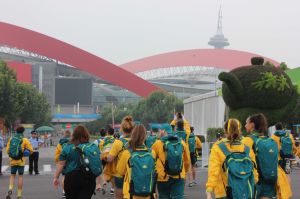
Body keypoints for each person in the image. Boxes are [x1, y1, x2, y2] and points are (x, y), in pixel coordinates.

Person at [206, 119, 258, 199]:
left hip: (223, 192)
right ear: (239, 130)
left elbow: (213, 171)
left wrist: (209, 190)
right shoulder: (246, 148)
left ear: (225, 130)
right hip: (245, 191)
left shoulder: (218, 147)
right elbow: (254, 171)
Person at [53, 125, 102, 199]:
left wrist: (56, 177)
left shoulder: (67, 147)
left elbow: (61, 164)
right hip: (88, 178)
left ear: (74, 135)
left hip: (72, 178)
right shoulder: (91, 147)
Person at [152, 122, 191, 199]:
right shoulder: (181, 142)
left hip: (163, 177)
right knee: (178, 197)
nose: (159, 132)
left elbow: (152, 160)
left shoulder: (157, 143)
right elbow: (187, 161)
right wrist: (184, 171)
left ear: (163, 131)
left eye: (160, 131)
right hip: (179, 175)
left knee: (163, 196)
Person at [243, 113, 278, 199]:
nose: (245, 125)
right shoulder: (270, 141)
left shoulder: (248, 140)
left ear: (252, 125)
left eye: (246, 123)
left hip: (254, 181)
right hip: (269, 180)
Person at [117, 124, 157, 199]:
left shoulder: (127, 153)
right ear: (145, 136)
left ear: (133, 135)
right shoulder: (152, 153)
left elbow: (120, 171)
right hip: (149, 193)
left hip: (131, 193)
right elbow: (154, 170)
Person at [106, 116, 135, 199]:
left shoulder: (118, 142)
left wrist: (105, 156)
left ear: (122, 128)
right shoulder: (137, 141)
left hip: (120, 174)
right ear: (133, 129)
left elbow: (110, 159)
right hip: (134, 173)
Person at [6, 126, 33, 199]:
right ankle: (19, 195)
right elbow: (31, 150)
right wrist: (25, 154)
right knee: (20, 177)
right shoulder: (24, 139)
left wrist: (12, 155)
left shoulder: (11, 139)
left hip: (13, 161)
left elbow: (7, 150)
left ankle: (10, 189)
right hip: (21, 161)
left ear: (16, 131)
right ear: (23, 132)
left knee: (12, 176)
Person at [271, 122, 293, 199]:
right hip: (287, 158)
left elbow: (272, 147)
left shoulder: (274, 136)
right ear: (282, 127)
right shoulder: (289, 135)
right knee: (287, 175)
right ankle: (288, 193)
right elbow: (292, 145)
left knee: (279, 177)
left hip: (278, 159)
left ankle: (279, 194)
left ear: (276, 128)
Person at [98, 127, 116, 195]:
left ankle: (104, 183)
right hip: (113, 158)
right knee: (113, 173)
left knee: (104, 172)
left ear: (107, 133)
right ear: (113, 133)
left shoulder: (103, 141)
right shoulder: (115, 140)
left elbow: (101, 149)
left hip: (104, 158)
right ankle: (112, 189)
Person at [54, 130, 71, 199]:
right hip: (71, 162)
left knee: (64, 176)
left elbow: (57, 155)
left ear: (64, 134)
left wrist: (57, 162)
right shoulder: (73, 142)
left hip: (62, 162)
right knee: (71, 176)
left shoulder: (60, 143)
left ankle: (64, 192)